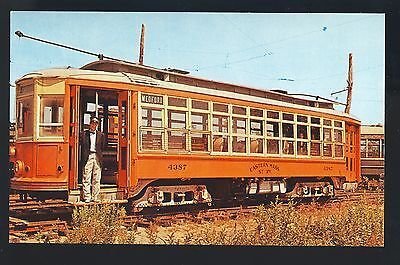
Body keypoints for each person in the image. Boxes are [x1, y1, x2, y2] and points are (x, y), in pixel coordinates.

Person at [80, 116, 105, 203]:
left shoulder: (101, 135)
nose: (94, 125)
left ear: (97, 125)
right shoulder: (83, 134)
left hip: (97, 157)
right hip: (88, 156)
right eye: (92, 123)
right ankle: (87, 197)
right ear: (90, 124)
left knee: (96, 178)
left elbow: (103, 147)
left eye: (96, 123)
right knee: (86, 176)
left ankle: (95, 197)